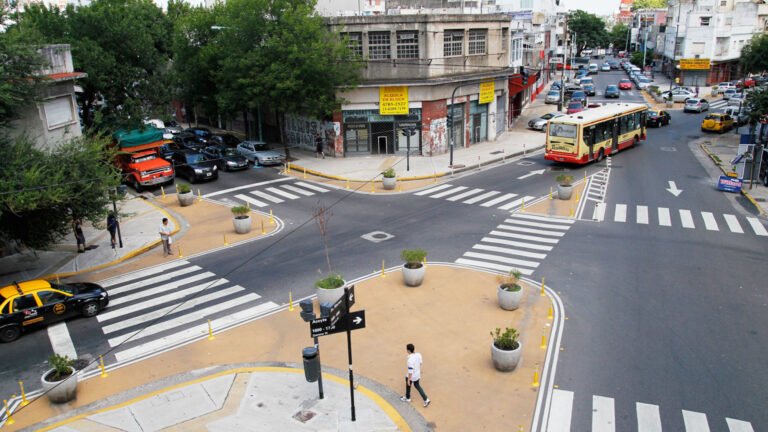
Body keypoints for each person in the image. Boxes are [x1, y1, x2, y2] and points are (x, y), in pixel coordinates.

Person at [400, 343, 430, 407]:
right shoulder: (419, 355)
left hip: (412, 375)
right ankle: (426, 399)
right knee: (417, 385)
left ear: (408, 350)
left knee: (408, 384)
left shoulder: (410, 360)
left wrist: (409, 379)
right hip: (417, 374)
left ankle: (408, 398)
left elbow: (410, 371)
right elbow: (420, 363)